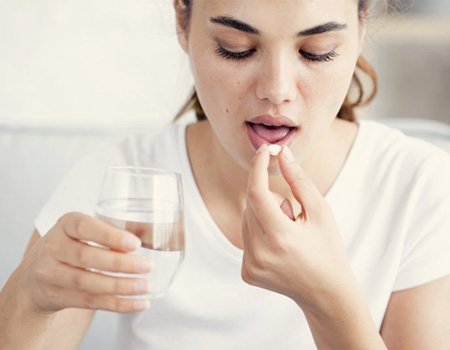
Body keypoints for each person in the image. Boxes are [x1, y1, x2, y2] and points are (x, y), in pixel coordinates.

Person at [1, 0, 449, 349]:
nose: (276, 89)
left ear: (361, 28)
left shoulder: (418, 187)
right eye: (236, 48)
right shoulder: (123, 182)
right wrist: (29, 296)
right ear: (183, 22)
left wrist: (329, 301)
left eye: (317, 52)